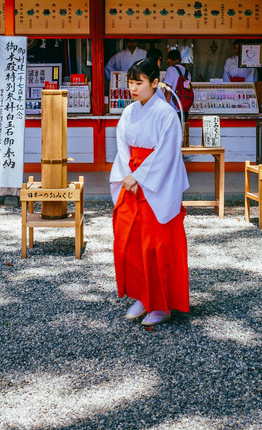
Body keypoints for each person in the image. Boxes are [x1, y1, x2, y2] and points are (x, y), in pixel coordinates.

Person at [109, 58, 190, 328]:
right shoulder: (129, 112)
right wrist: (126, 177)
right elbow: (123, 147)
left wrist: (140, 176)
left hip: (156, 183)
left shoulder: (166, 114)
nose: (133, 88)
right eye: (130, 82)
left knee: (157, 246)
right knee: (130, 242)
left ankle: (161, 304)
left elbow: (167, 153)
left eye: (139, 82)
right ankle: (143, 296)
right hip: (132, 180)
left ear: (155, 83)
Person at [162, 49, 191, 145]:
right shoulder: (187, 72)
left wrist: (164, 108)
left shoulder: (171, 70)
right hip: (184, 109)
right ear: (180, 59)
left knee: (171, 137)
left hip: (173, 109)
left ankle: (173, 158)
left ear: (169, 59)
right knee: (181, 137)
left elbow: (168, 91)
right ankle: (181, 157)